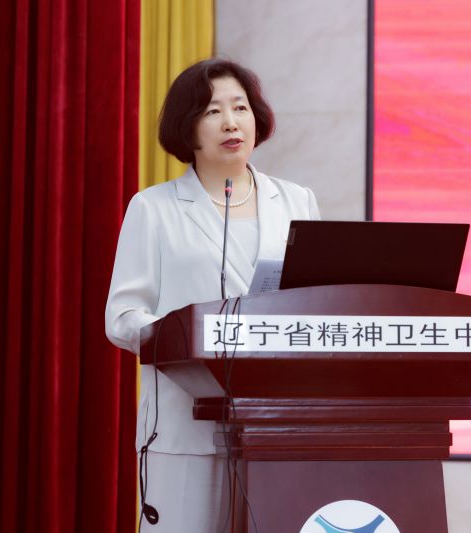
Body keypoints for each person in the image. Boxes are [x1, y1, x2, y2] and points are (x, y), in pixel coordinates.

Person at [105, 58, 321, 531]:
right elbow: (122, 316)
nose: (230, 122)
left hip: (274, 424)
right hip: (184, 425)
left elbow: (314, 303)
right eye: (212, 111)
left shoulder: (297, 201)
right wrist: (185, 337)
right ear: (188, 127)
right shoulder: (154, 208)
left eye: (240, 108)